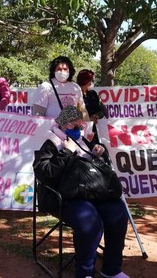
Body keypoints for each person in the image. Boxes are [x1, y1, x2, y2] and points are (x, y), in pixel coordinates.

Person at [33, 106, 129, 278]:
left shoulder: (84, 140)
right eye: (73, 126)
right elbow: (44, 173)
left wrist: (99, 152)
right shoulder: (51, 142)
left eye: (80, 126)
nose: (78, 130)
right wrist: (66, 152)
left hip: (94, 192)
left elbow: (96, 166)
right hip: (66, 196)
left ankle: (111, 270)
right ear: (62, 124)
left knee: (118, 214)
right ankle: (85, 273)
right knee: (90, 223)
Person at [77, 69, 107, 143]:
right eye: (91, 81)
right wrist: (87, 119)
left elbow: (103, 111)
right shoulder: (74, 95)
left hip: (94, 131)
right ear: (85, 81)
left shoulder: (93, 94)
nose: (92, 83)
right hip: (80, 131)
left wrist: (97, 115)